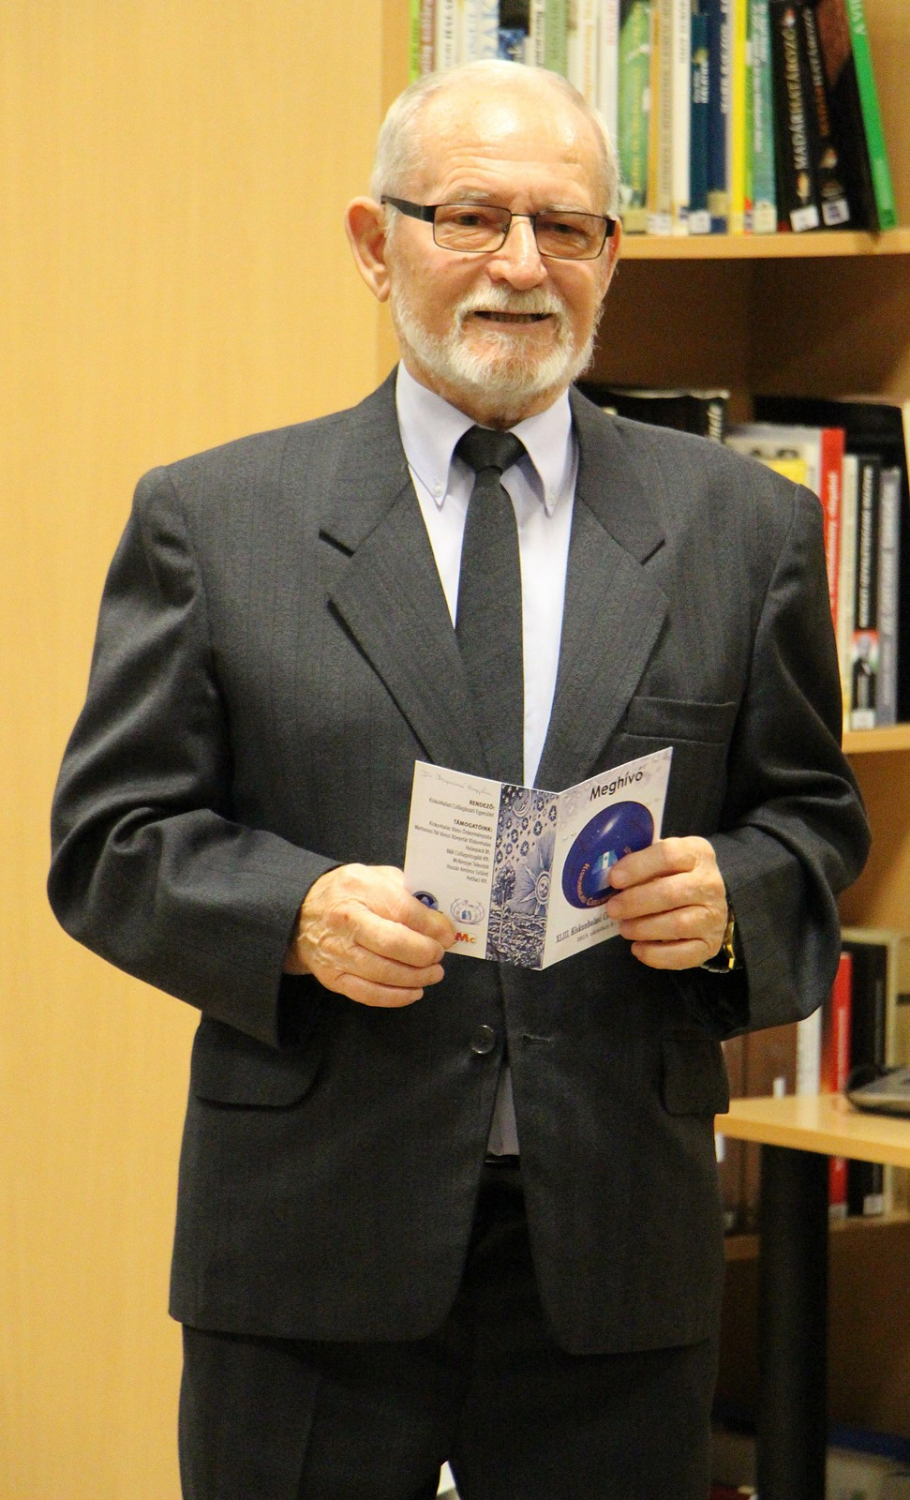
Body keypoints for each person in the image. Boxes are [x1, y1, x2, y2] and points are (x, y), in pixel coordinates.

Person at [49, 58, 869, 1500]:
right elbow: (112, 841)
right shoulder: (216, 520)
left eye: (566, 228)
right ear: (377, 244)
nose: (521, 266)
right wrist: (293, 917)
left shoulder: (744, 529)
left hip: (614, 1252)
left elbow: (810, 825)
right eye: (472, 217)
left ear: (611, 259)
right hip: (309, 1243)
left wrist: (730, 901)